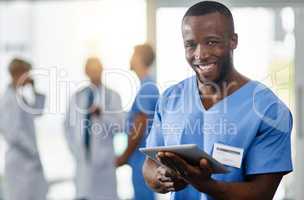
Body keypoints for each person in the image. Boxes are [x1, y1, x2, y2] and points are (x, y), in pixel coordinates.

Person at [143, 1, 293, 200]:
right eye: (190, 44)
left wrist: (206, 185)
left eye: (211, 42)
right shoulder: (170, 99)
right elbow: (150, 164)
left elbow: (262, 193)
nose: (200, 54)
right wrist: (162, 177)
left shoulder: (269, 110)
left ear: (233, 41)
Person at [64, 57, 123, 200]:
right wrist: (75, 149)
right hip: (82, 160)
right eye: (91, 69)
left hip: (104, 162)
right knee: (83, 195)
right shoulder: (77, 97)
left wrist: (103, 115)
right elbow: (67, 127)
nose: (95, 72)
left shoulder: (112, 96)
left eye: (97, 69)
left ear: (102, 70)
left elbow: (120, 127)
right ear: (86, 71)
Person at [0, 58, 48, 200]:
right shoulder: (9, 100)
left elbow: (38, 112)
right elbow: (13, 133)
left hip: (27, 160)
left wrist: (34, 89)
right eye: (27, 73)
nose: (29, 77)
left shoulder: (20, 97)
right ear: (17, 74)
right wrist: (32, 151)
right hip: (21, 161)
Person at [116, 44, 159, 200]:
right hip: (141, 161)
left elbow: (139, 127)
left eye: (133, 55)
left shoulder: (147, 88)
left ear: (139, 58)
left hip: (142, 161)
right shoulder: (146, 86)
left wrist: (124, 156)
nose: (130, 59)